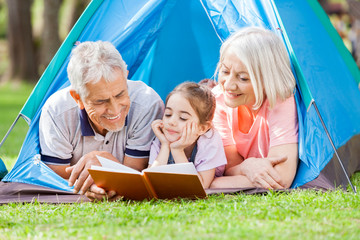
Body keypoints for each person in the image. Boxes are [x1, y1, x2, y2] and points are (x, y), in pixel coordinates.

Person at [39, 41, 164, 200]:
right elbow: (56, 174)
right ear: (78, 97)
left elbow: (136, 173)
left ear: (125, 76)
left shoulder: (147, 104)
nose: (115, 110)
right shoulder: (57, 111)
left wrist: (106, 161)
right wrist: (89, 186)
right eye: (100, 101)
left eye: (120, 94)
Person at [210, 26, 299, 189]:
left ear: (268, 79)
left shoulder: (280, 100)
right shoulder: (219, 100)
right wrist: (247, 166)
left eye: (243, 78)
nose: (229, 85)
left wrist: (215, 184)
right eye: (225, 71)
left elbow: (281, 178)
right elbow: (231, 167)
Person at [148, 82, 227, 188]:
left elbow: (199, 187)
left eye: (183, 118)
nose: (172, 122)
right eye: (168, 114)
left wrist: (177, 150)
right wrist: (165, 146)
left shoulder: (209, 141)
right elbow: (151, 181)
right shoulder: (162, 139)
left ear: (202, 128)